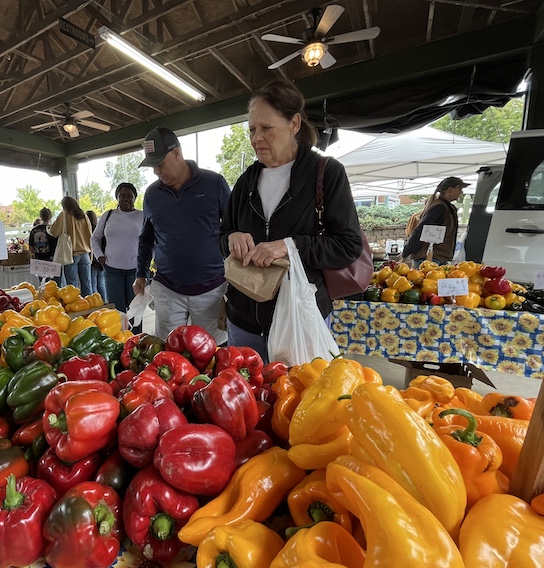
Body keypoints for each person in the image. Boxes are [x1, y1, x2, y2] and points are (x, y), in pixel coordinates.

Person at [220, 80, 363, 362]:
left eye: (266, 128)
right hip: (244, 320)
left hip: (301, 319)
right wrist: (230, 238)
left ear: (294, 123)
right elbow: (222, 235)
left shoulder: (327, 173)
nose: (256, 138)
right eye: (252, 129)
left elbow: (348, 245)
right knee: (246, 400)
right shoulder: (246, 180)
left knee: (298, 400)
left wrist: (289, 246)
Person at [134, 127, 230, 343]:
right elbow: (146, 239)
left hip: (212, 288)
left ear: (176, 153)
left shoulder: (214, 183)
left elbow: (235, 228)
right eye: (153, 167)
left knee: (213, 351)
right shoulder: (152, 194)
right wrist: (141, 273)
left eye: (160, 164)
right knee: (169, 349)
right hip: (168, 290)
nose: (157, 171)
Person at [91, 182, 143, 327]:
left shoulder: (142, 216)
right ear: (117, 197)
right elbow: (95, 238)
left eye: (129, 196)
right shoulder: (108, 215)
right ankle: (120, 343)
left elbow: (152, 240)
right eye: (122, 195)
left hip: (135, 271)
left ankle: (137, 342)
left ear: (134, 198)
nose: (125, 199)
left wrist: (149, 259)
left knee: (135, 311)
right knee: (117, 313)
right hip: (112, 270)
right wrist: (99, 255)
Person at [401, 176, 468, 267]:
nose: (461, 192)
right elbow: (420, 230)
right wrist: (406, 252)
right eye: (459, 188)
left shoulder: (445, 207)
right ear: (450, 189)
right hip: (429, 257)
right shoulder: (439, 207)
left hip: (437, 256)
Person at [51, 196, 93, 296]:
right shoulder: (84, 216)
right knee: (87, 283)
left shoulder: (64, 215)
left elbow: (54, 232)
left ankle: (76, 305)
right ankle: (89, 305)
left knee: (72, 284)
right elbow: (90, 235)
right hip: (85, 254)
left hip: (70, 255)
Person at [86, 210, 108, 302]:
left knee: (93, 283)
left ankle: (96, 303)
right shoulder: (101, 230)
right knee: (101, 283)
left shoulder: (88, 230)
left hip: (92, 260)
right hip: (101, 259)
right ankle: (103, 301)